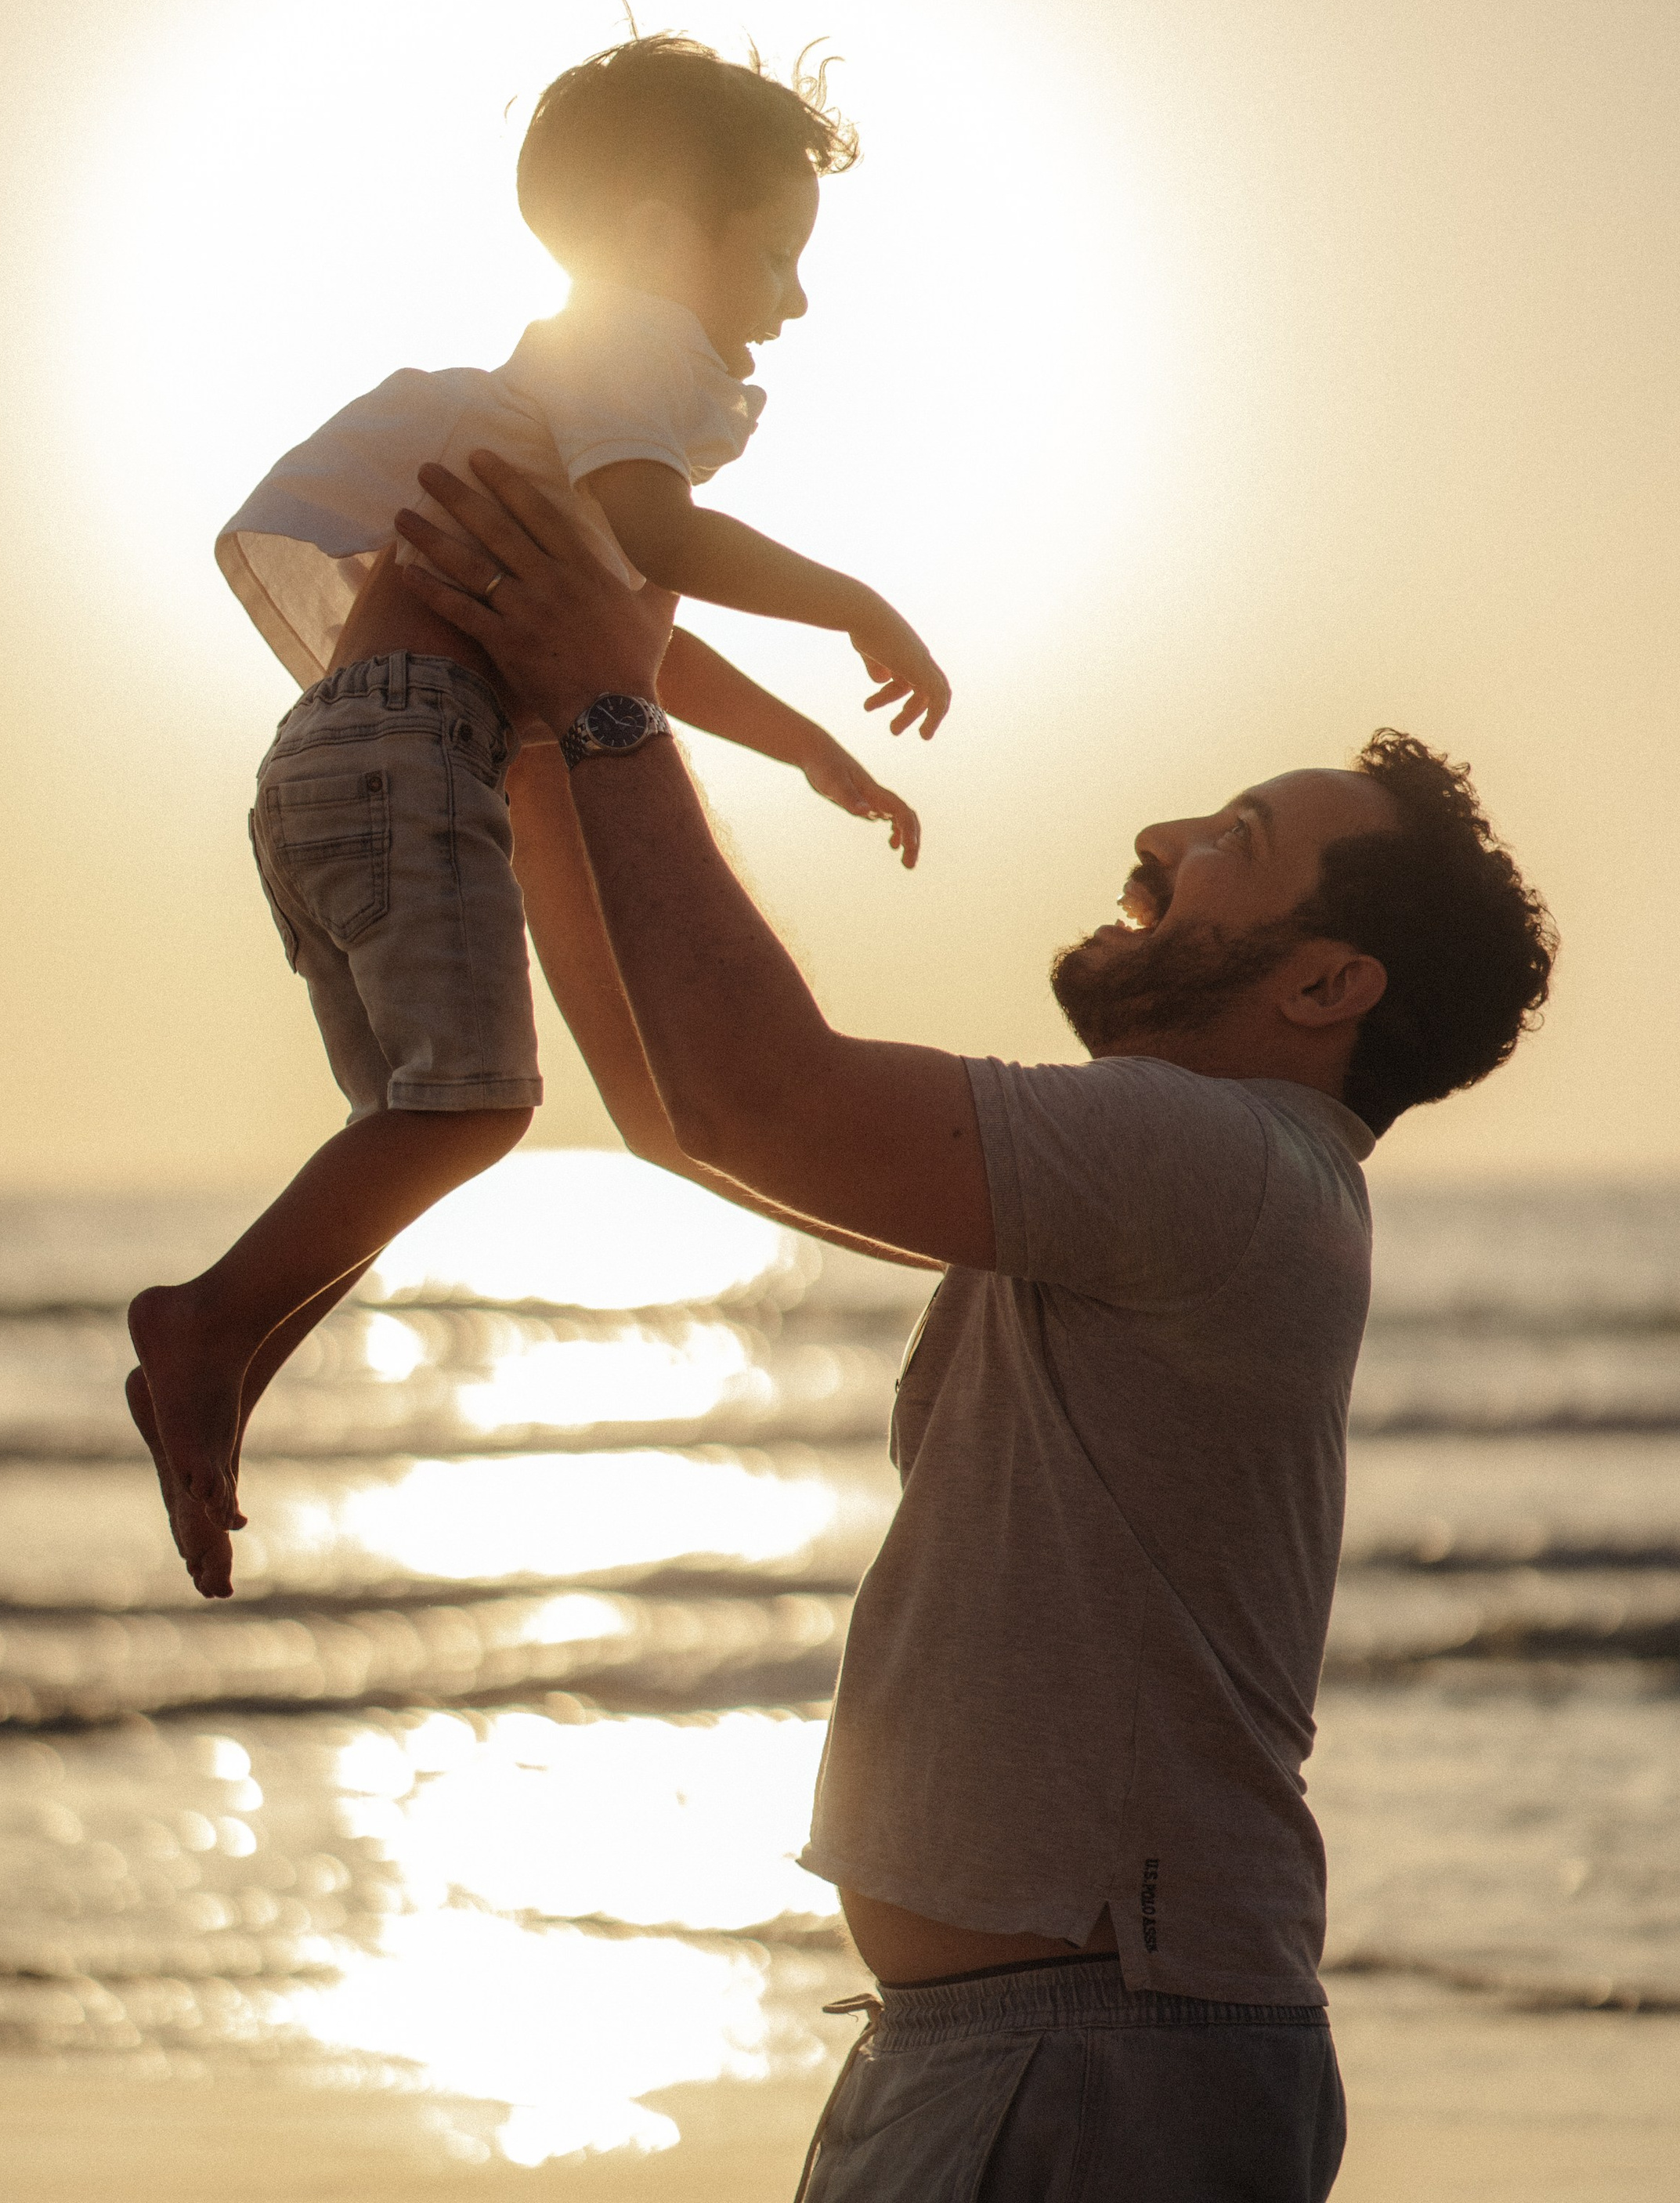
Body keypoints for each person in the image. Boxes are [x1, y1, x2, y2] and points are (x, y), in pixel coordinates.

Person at [392, 450, 1558, 2203]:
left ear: (1325, 987)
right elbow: (672, 1104)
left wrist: (607, 702)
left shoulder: (1214, 1162)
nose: (1156, 844)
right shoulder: (1212, 1176)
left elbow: (755, 1091)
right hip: (1044, 2048)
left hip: (1092, 2055)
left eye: (1229, 847)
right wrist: (547, 730)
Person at [127, 32, 951, 1598]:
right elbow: (656, 537)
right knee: (476, 1111)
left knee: (415, 1127)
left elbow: (631, 611)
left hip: (339, 766)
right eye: (771, 252)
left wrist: (800, 753)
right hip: (409, 751)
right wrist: (852, 600)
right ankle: (203, 1325)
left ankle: (224, 1362)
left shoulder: (550, 396)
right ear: (653, 233)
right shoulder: (626, 345)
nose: (789, 299)